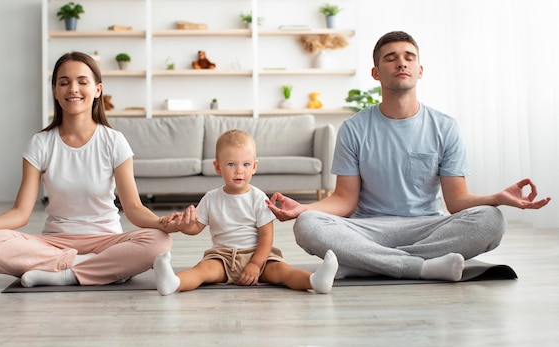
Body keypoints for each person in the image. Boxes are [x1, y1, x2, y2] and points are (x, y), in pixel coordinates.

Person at [266, 31, 551, 282]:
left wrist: (497, 197)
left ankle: (365, 264)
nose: (401, 62)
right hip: (369, 228)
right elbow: (345, 200)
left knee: (491, 220)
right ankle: (421, 267)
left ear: (420, 69)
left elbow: (456, 201)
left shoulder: (445, 126)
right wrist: (302, 210)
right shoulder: (354, 128)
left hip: (426, 227)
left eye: (408, 57)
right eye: (390, 58)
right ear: (376, 72)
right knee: (307, 224)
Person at [0, 51, 178, 287]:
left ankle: (63, 272)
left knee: (159, 240)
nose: (73, 89)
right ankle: (99, 268)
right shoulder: (41, 143)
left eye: (82, 82)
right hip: (54, 243)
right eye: (64, 83)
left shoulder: (114, 141)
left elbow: (134, 208)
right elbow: (20, 213)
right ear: (55, 91)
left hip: (107, 240)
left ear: (98, 89)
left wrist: (164, 223)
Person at [152, 129, 339, 295]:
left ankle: (315, 281)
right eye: (231, 164)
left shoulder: (258, 198)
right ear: (218, 167)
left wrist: (255, 264)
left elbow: (266, 238)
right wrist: (183, 225)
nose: (239, 171)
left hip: (258, 256)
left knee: (282, 272)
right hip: (223, 257)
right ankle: (173, 283)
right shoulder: (210, 198)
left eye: (246, 165)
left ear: (254, 167)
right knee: (202, 270)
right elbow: (196, 228)